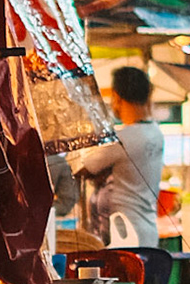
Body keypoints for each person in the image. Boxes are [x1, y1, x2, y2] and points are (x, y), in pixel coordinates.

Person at [70, 66, 164, 245]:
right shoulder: (155, 133)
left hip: (125, 235)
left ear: (117, 97)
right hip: (149, 232)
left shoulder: (123, 139)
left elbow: (82, 168)